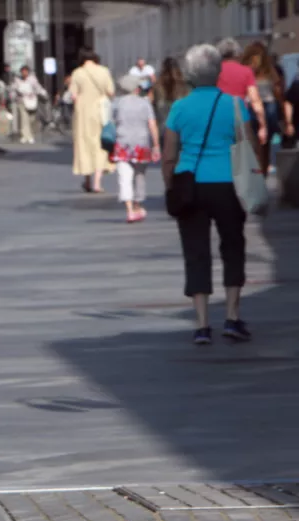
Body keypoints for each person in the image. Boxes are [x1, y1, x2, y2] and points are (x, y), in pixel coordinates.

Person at [163, 44, 256, 346]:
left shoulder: (179, 108)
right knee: (233, 246)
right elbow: (249, 146)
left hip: (190, 184)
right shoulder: (235, 105)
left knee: (196, 252)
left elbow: (168, 156)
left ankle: (202, 324)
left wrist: (170, 186)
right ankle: (231, 316)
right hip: (228, 184)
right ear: (218, 73)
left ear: (189, 75)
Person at [111, 74, 160, 223]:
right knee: (139, 175)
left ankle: (129, 209)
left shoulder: (116, 103)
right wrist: (156, 145)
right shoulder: (145, 104)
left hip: (122, 143)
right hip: (141, 144)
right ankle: (138, 204)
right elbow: (152, 125)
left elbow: (111, 123)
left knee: (124, 177)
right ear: (136, 89)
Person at [242, 42, 291, 174]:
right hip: (269, 107)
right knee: (265, 145)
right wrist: (285, 120)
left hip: (253, 108)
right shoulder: (269, 71)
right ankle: (262, 172)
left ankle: (257, 171)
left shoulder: (247, 71)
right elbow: (278, 93)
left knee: (253, 143)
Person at [70, 49, 115, 193]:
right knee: (100, 144)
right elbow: (111, 92)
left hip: (83, 112)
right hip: (100, 111)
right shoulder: (104, 71)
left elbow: (73, 95)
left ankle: (87, 181)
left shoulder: (77, 73)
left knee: (84, 144)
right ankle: (97, 182)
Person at [216, 38, 268, 148]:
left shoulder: (214, 72)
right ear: (237, 54)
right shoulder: (246, 71)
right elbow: (255, 100)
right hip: (240, 117)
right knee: (243, 154)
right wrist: (262, 126)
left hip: (218, 116)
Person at [11, 65, 47, 144]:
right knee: (24, 118)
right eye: (22, 71)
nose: (24, 73)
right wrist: (13, 97)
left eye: (25, 71)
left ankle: (31, 134)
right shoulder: (17, 80)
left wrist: (43, 93)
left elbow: (38, 88)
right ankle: (25, 136)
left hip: (32, 100)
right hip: (22, 100)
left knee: (32, 119)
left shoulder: (32, 79)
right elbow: (13, 89)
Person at [153, 57, 189, 137]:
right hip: (183, 128)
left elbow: (155, 107)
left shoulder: (157, 86)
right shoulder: (185, 85)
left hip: (164, 128)